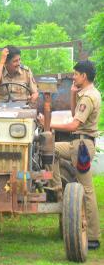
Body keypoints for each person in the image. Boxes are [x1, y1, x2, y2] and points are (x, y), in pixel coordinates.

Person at [38, 60, 101, 250]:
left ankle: (93, 236)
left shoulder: (89, 97)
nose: (73, 77)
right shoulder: (85, 95)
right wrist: (73, 94)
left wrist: (48, 125)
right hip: (77, 144)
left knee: (87, 189)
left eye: (75, 74)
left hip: (81, 146)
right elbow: (75, 115)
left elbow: (74, 125)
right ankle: (56, 189)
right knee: (51, 150)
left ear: (84, 76)